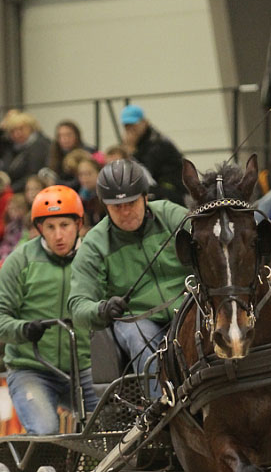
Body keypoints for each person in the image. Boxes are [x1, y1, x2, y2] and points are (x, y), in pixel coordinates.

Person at [68, 159, 188, 395]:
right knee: (139, 336)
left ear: (145, 197)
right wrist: (102, 310)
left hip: (187, 306)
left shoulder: (173, 216)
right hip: (137, 317)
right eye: (116, 207)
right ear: (105, 206)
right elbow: (77, 306)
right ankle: (161, 410)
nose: (125, 212)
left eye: (131, 203)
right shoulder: (95, 244)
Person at [0, 185, 99, 435]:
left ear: (78, 224)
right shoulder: (21, 259)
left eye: (65, 225)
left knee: (115, 430)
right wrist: (23, 329)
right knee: (46, 431)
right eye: (50, 227)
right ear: (39, 229)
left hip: (85, 369)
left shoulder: (94, 257)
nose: (58, 235)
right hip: (31, 369)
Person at [120, 105, 186, 205]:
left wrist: (131, 153)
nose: (130, 130)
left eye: (133, 125)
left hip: (173, 192)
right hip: (158, 189)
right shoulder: (140, 143)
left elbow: (145, 176)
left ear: (145, 122)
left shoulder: (158, 144)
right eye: (127, 126)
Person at [0, 111, 51, 193]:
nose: (17, 133)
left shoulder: (39, 145)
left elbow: (33, 173)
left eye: (21, 129)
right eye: (12, 131)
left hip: (29, 190)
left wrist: (10, 189)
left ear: (31, 128)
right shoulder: (11, 147)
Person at [47, 120, 96, 184]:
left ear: (76, 136)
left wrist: (55, 183)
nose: (64, 138)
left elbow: (81, 181)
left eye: (68, 135)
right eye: (61, 136)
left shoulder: (86, 152)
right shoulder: (55, 153)